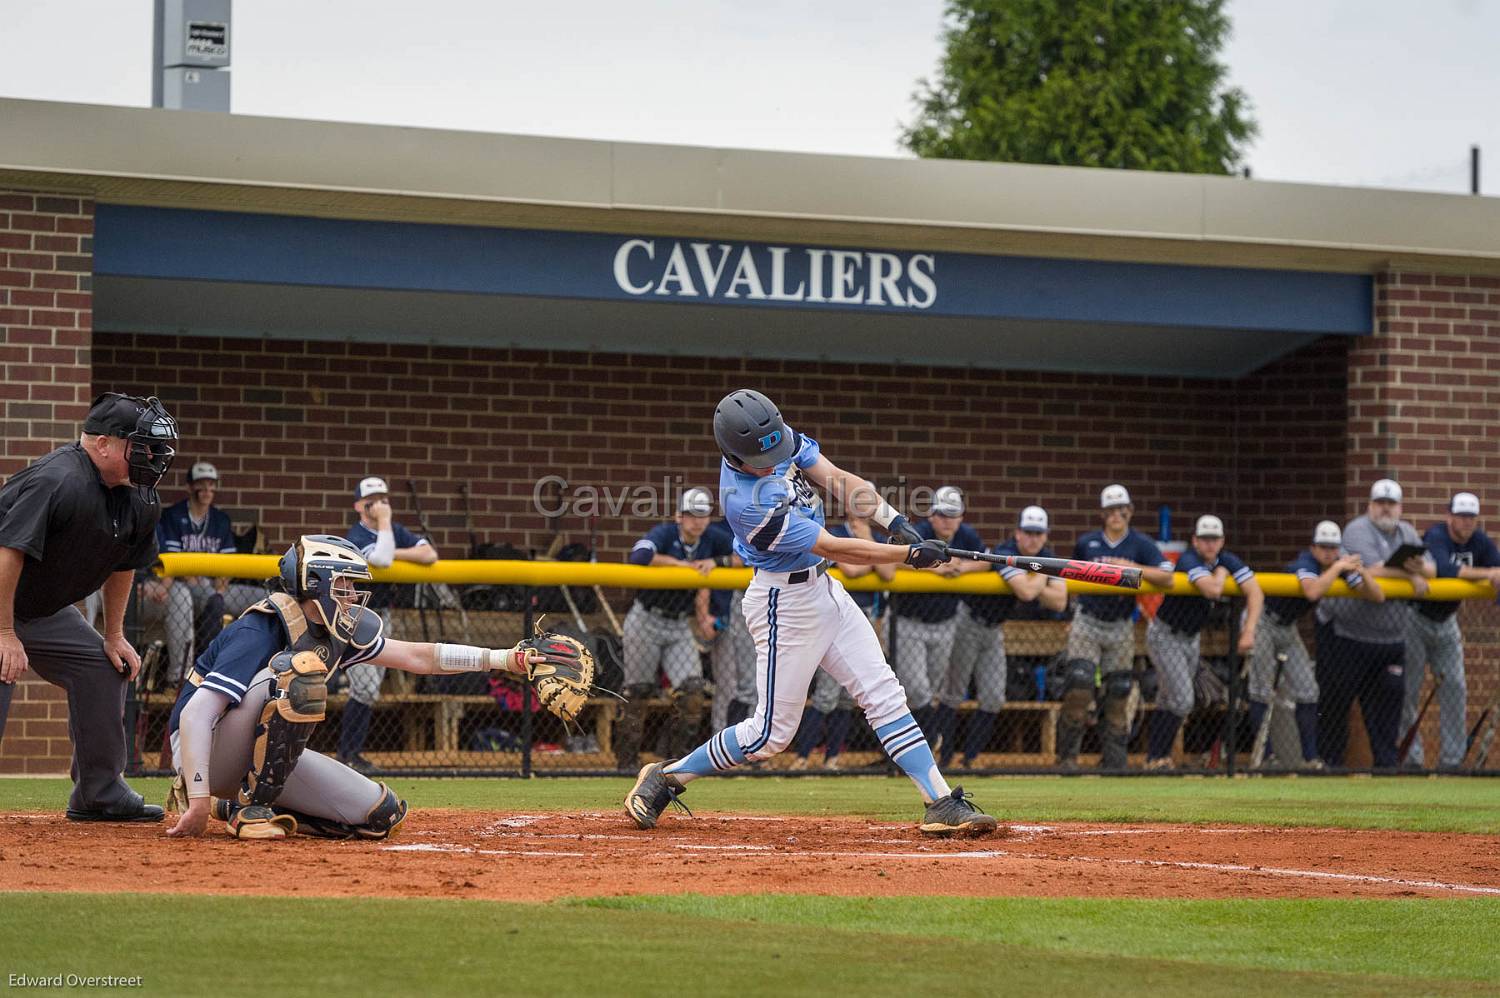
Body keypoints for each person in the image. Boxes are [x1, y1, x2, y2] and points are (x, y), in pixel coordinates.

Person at [625, 389, 997, 836]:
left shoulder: (775, 438)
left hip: (826, 591)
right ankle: (666, 777)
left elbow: (839, 479)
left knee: (883, 692)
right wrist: (905, 555)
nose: (772, 463)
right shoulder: (746, 504)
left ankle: (940, 801)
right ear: (732, 454)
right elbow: (831, 545)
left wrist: (896, 523)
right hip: (785, 604)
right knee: (769, 736)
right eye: (759, 461)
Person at [164, 535, 546, 840]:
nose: (351, 596)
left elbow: (418, 657)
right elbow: (197, 713)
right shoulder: (261, 626)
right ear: (317, 584)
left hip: (250, 756)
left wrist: (501, 659)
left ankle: (234, 806)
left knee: (380, 815)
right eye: (343, 585)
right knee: (297, 671)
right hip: (202, 750)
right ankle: (250, 811)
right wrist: (197, 797)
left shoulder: (336, 631)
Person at [0, 392, 178, 822]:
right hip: (2, 601)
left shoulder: (140, 497)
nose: (152, 457)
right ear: (103, 444)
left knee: (102, 667)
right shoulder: (57, 480)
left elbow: (125, 564)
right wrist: (4, 634)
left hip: (41, 610)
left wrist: (113, 635)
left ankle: (98, 794)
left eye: (156, 448)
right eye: (142, 446)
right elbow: (8, 554)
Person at [937, 505, 1067, 769]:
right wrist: (1043, 574)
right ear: (1018, 533)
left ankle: (969, 760)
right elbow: (1026, 593)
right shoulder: (1006, 551)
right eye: (1028, 532)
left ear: (1045, 535)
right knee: (953, 693)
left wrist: (1035, 578)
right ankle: (945, 758)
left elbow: (1060, 602)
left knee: (994, 697)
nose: (1033, 539)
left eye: (1038, 533)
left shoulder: (1047, 555)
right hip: (968, 622)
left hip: (994, 629)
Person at [1319, 479, 1433, 768]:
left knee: (1388, 708)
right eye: (1380, 503)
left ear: (1400, 507)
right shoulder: (1357, 530)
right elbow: (1370, 570)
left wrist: (1420, 569)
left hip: (1391, 639)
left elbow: (1431, 568)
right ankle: (1329, 765)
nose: (1385, 508)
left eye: (1391, 503)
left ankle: (1386, 768)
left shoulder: (1407, 532)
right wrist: (1409, 576)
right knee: (1337, 704)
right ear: (1370, 505)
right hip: (1349, 636)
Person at [619, 488, 735, 769]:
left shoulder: (712, 539)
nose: (697, 521)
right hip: (646, 619)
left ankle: (676, 761)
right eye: (691, 515)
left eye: (703, 514)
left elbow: (749, 556)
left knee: (693, 692)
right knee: (638, 691)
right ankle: (625, 762)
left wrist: (716, 562)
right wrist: (679, 565)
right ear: (679, 516)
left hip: (680, 624)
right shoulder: (665, 533)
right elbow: (639, 555)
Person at [1252, 520, 1383, 769]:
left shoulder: (1338, 566)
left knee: (1308, 690)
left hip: (1287, 628)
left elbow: (1377, 596)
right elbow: (1312, 591)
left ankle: (1310, 759)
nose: (1328, 552)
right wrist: (1339, 567)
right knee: (1261, 690)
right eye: (1323, 547)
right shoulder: (1306, 562)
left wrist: (1362, 571)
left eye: (1333, 547)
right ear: (1313, 547)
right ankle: (1266, 758)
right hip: (1264, 622)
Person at [1062, 484, 1176, 769]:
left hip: (1121, 624)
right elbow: (1070, 579)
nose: (1116, 515)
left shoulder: (1140, 544)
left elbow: (1167, 576)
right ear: (1102, 513)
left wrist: (1130, 567)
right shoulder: (1087, 543)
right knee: (1080, 684)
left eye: (1121, 509)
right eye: (1110, 510)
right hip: (1087, 619)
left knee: (1119, 691)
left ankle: (1114, 762)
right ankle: (1067, 759)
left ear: (1130, 511)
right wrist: (1070, 617)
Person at [1143, 515, 1263, 770]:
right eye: (1205, 539)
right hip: (1166, 634)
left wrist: (1249, 630)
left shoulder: (1227, 558)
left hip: (1191, 638)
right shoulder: (1189, 558)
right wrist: (1220, 573)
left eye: (1215, 539)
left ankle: (1156, 759)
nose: (1210, 544)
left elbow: (1255, 591)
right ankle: (1157, 757)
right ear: (1195, 540)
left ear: (1222, 541)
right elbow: (1212, 590)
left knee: (1170, 699)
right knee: (1183, 699)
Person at [339, 475, 438, 772]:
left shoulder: (391, 531)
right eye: (371, 501)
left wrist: (393, 546)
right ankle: (348, 754)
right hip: (357, 615)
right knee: (365, 689)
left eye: (383, 499)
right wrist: (385, 527)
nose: (379, 506)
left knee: (367, 690)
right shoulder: (356, 535)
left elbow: (429, 554)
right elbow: (380, 560)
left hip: (384, 615)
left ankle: (350, 755)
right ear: (359, 505)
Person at [138, 461, 265, 682]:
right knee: (208, 599)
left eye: (211, 485)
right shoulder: (173, 516)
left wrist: (220, 590)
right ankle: (206, 668)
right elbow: (173, 562)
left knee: (264, 599)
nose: (207, 491)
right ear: (190, 487)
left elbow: (228, 565)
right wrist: (201, 583)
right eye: (201, 485)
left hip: (215, 588)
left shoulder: (220, 519)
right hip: (185, 586)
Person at [789, 511, 894, 770]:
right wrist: (872, 556)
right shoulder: (835, 533)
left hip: (867, 619)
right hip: (835, 618)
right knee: (826, 694)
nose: (862, 515)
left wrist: (868, 539)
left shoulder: (876, 536)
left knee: (848, 698)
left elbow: (888, 573)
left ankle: (832, 758)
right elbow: (853, 569)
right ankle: (802, 757)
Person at [1404, 492, 1500, 770]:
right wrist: (1487, 574)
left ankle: (1452, 762)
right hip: (1416, 618)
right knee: (1409, 691)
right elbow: (1442, 569)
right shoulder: (1436, 536)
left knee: (1456, 688)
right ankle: (1411, 760)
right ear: (1449, 516)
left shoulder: (1479, 541)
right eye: (1460, 516)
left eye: (1471, 517)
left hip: (1447, 621)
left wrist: (1495, 573)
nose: (1466, 522)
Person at [888, 486, 987, 755]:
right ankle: (931, 738)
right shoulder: (919, 533)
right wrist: (936, 567)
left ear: (961, 517)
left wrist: (962, 567)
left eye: (952, 515)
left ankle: (914, 746)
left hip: (945, 622)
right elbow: (889, 560)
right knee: (917, 689)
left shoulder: (966, 536)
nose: (947, 521)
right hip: (909, 620)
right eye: (942, 515)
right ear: (931, 515)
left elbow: (986, 561)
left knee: (929, 689)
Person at [704, 517, 754, 734]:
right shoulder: (717, 531)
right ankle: (719, 740)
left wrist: (720, 561)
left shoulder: (773, 525)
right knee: (728, 686)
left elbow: (750, 559)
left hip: (760, 614)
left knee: (755, 686)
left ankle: (750, 742)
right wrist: (704, 614)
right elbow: (700, 569)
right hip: (725, 616)